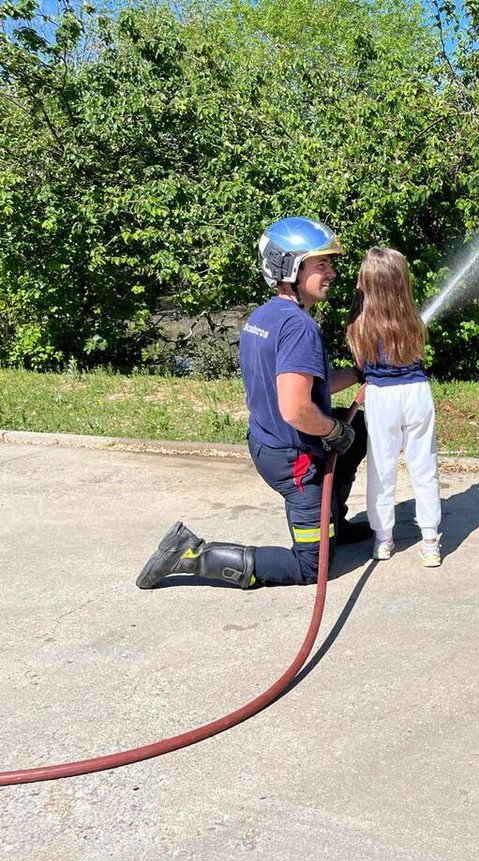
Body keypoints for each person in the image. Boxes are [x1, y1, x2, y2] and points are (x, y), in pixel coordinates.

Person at [136, 216, 370, 590]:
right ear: (290, 267)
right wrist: (333, 430)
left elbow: (313, 388)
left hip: (267, 441)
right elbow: (296, 408)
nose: (333, 273)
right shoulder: (300, 328)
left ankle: (332, 524)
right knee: (314, 567)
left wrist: (359, 374)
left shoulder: (266, 316)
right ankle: (191, 554)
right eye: (321, 264)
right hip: (294, 460)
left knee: (359, 429)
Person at [346, 247, 442, 566]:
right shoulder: (412, 316)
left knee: (381, 468)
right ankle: (430, 542)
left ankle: (383, 540)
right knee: (424, 467)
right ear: (401, 281)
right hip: (416, 393)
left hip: (381, 397)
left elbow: (361, 363)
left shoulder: (358, 322)